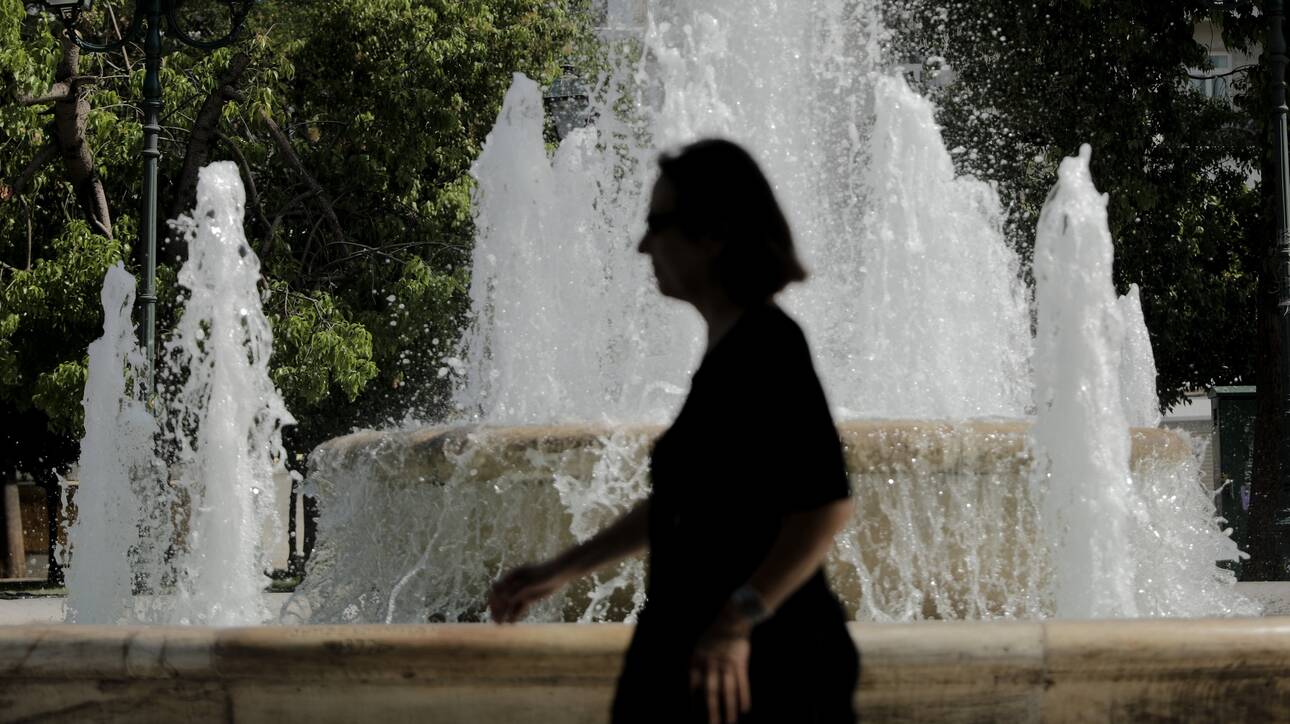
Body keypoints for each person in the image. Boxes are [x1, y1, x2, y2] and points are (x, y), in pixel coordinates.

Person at [488, 138, 859, 724]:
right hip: (702, 656)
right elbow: (682, 506)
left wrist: (735, 624)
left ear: (713, 235)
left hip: (762, 672)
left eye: (658, 225)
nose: (642, 245)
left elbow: (825, 507)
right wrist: (561, 570)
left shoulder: (768, 347)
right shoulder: (731, 350)